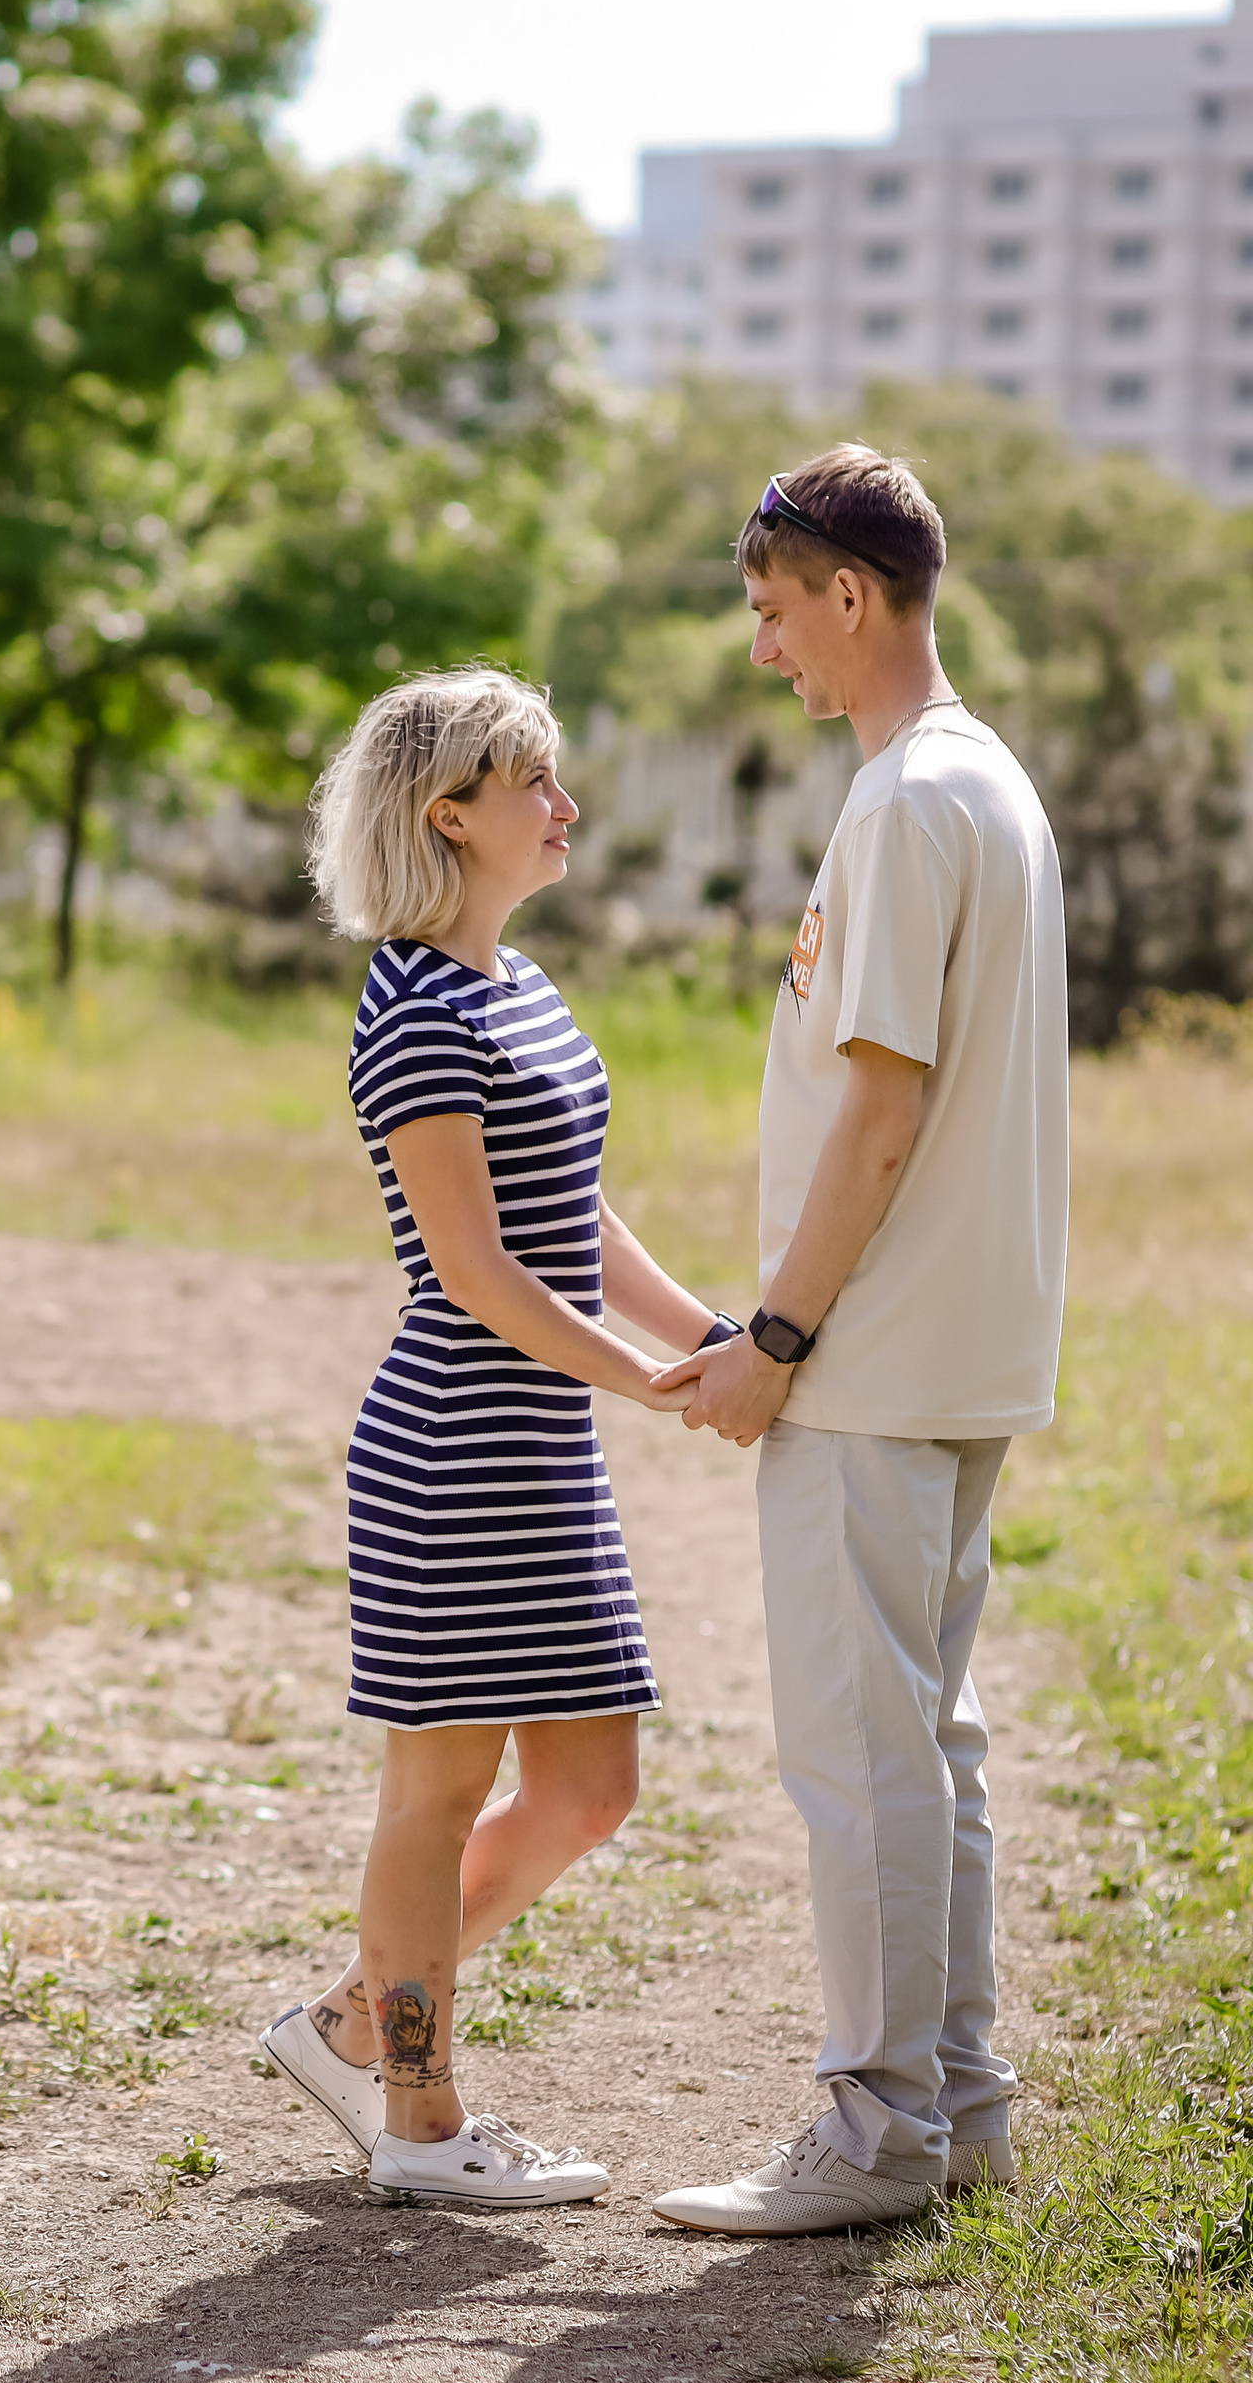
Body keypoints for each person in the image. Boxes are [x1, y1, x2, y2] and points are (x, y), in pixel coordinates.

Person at [650, 445, 1068, 2236]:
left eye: (773, 612)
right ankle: (955, 2106)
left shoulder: (909, 801)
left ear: (852, 593)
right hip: (959, 1353)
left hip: (874, 1357)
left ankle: (878, 2128)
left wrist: (775, 1334)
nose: (766, 654)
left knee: (862, 1751)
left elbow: (878, 1111)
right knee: (931, 1740)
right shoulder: (989, 783)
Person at [259, 665, 740, 2208]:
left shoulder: (519, 990)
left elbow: (574, 1218)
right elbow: (474, 1270)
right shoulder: (409, 1005)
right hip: (457, 1448)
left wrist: (708, 1337)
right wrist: (648, 1384)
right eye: (536, 782)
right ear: (447, 815)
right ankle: (419, 2110)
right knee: (440, 1793)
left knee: (594, 1790)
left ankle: (356, 2018)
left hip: (541, 1449)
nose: (567, 808)